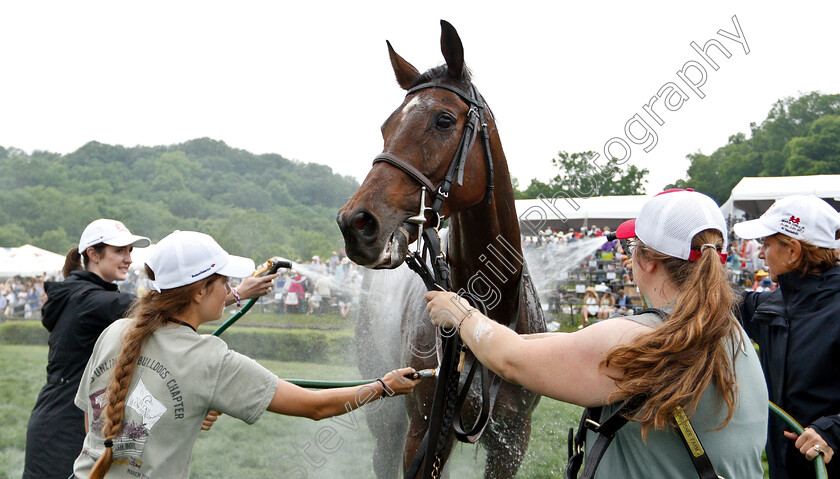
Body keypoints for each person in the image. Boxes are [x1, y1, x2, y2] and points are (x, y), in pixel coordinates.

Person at [426, 189, 768, 478]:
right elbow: (570, 346)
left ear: (648, 261)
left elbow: (511, 360)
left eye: (633, 247)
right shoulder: (729, 331)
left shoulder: (640, 339)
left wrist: (460, 313)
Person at [71, 231, 418, 478]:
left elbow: (95, 420)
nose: (229, 289)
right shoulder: (211, 359)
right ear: (199, 291)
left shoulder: (116, 331)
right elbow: (315, 406)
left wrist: (184, 414)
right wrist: (384, 387)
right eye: (223, 281)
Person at [22, 219, 277, 479]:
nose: (128, 258)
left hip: (80, 417)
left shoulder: (83, 295)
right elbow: (166, 309)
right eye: (119, 251)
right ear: (92, 254)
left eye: (130, 251)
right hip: (69, 426)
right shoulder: (91, 300)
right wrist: (234, 294)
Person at [734, 195, 840, 479]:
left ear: (792, 251)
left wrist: (833, 430)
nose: (760, 254)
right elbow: (714, 299)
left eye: (766, 244)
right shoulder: (773, 305)